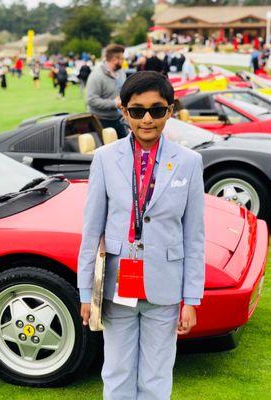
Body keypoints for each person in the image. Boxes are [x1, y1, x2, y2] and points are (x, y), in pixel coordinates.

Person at [78, 71, 204, 400]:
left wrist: (191, 299)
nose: (147, 119)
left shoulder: (190, 163)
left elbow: (194, 237)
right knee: (117, 372)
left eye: (156, 110)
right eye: (137, 111)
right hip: (117, 286)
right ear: (124, 112)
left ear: (170, 111)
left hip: (165, 288)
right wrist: (84, 293)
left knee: (157, 375)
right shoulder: (105, 159)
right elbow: (91, 231)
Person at [85, 44, 127, 138]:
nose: (124, 61)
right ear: (115, 60)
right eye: (122, 59)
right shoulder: (96, 75)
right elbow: (91, 100)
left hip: (118, 118)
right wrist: (114, 103)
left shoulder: (121, 72)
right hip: (101, 121)